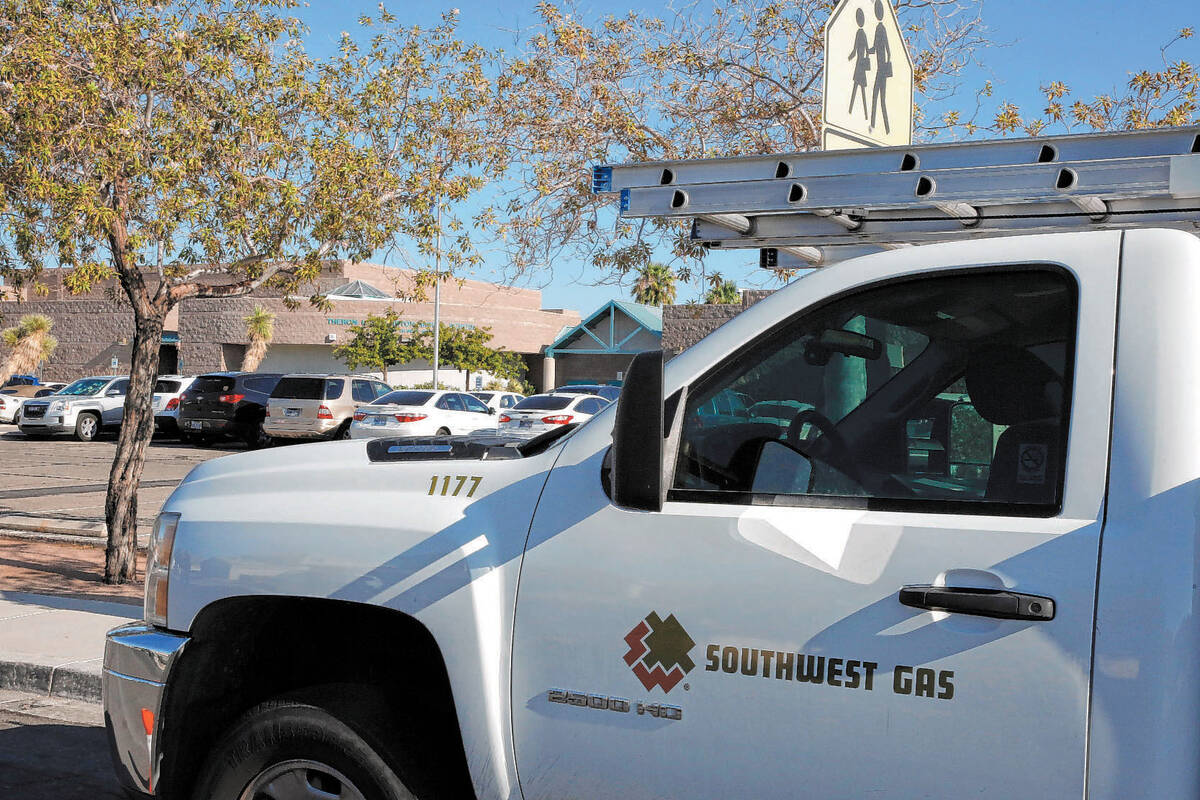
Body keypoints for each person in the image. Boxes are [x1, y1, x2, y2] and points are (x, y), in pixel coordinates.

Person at [868, 0, 892, 134]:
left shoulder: (881, 28)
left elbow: (887, 48)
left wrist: (887, 66)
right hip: (880, 68)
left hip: (882, 69)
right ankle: (874, 126)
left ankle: (886, 129)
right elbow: (875, 48)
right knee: (876, 97)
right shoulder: (879, 28)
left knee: (879, 98)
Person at [847, 8, 870, 120]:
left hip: (860, 64)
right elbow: (855, 50)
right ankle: (851, 111)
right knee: (857, 88)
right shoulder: (860, 33)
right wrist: (846, 59)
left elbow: (864, 49)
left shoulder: (862, 33)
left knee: (859, 89)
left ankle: (865, 114)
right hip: (859, 64)